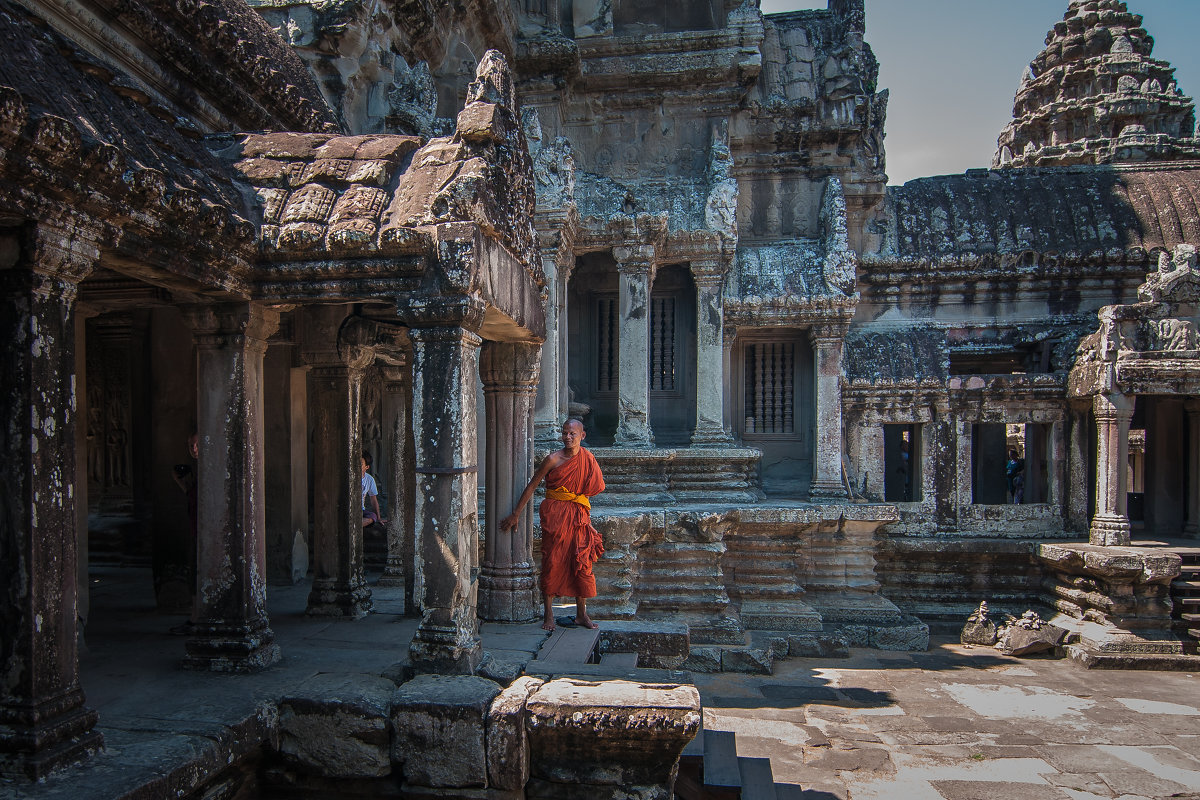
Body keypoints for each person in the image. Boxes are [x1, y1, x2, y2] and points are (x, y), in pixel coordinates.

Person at [500, 418, 605, 632]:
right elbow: (532, 485)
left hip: (578, 515)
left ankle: (581, 614)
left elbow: (588, 490)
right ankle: (548, 613)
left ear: (582, 436)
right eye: (565, 433)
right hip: (555, 514)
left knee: (581, 560)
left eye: (572, 434)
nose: (567, 437)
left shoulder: (588, 458)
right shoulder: (553, 459)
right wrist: (516, 514)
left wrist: (586, 520)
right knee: (552, 560)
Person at [362, 452, 387, 529]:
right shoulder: (349, 477)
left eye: (360, 464)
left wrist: (379, 518)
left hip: (361, 510)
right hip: (349, 509)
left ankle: (355, 526)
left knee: (373, 516)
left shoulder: (369, 479)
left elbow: (373, 499)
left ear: (367, 467)